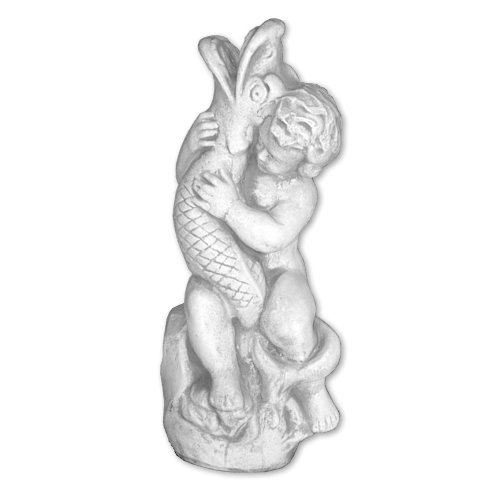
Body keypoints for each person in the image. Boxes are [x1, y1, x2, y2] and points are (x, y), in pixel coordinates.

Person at [192, 84, 342, 431]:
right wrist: (192, 146)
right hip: (229, 276)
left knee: (289, 321)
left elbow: (272, 237)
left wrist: (230, 208)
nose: (260, 156)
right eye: (261, 143)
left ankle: (310, 385)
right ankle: (225, 376)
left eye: (273, 157)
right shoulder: (243, 156)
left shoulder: (299, 192)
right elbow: (192, 180)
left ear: (306, 163)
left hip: (278, 277)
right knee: (200, 299)